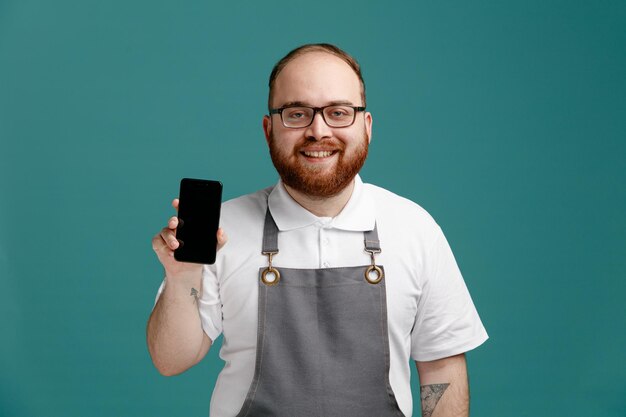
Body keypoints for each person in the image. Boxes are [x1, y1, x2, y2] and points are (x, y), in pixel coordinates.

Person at [147, 43, 488, 417]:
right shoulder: (222, 230)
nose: (318, 130)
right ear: (268, 129)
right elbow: (171, 361)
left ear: (367, 126)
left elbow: (441, 367)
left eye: (339, 112)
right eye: (297, 114)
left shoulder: (414, 229)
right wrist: (180, 279)